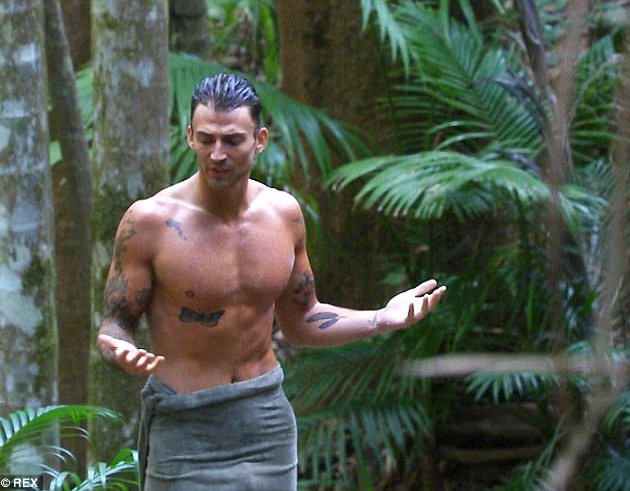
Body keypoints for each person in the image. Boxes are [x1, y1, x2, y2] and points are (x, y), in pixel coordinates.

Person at [96, 72, 446, 491]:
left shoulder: (283, 215)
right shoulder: (149, 222)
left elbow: (302, 319)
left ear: (259, 140)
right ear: (189, 136)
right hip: (186, 425)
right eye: (206, 139)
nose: (217, 154)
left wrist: (382, 318)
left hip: (266, 420)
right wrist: (119, 350)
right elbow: (115, 323)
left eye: (232, 141)